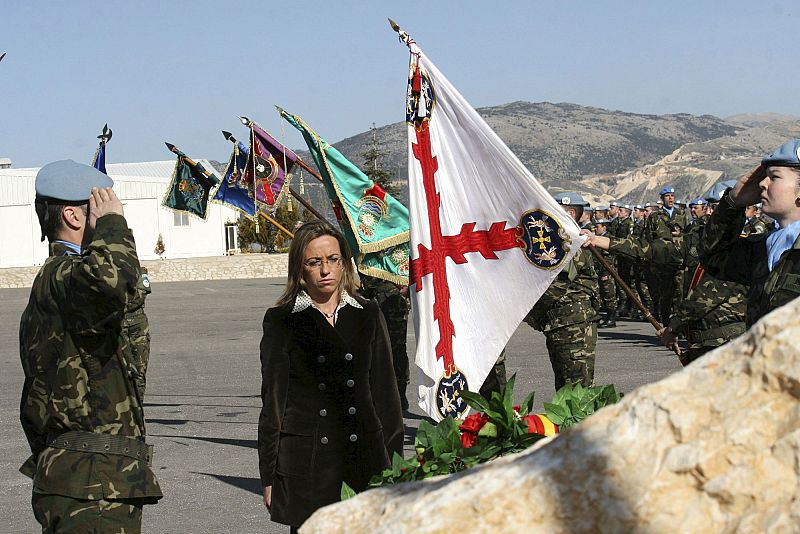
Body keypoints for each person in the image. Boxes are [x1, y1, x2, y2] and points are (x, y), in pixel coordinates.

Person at [20, 160, 162, 532]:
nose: (116, 215)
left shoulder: (67, 283)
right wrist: (113, 225)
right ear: (73, 214)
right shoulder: (64, 276)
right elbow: (108, 280)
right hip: (90, 483)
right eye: (101, 206)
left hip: (94, 477)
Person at [258, 219, 404, 531]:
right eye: (315, 262)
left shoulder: (368, 313)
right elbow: (273, 404)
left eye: (333, 260)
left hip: (365, 457)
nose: (325, 270)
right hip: (308, 464)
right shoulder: (282, 320)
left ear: (343, 264)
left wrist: (397, 467)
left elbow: (386, 397)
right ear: (300, 268)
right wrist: (269, 475)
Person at [700, 139, 800, 326]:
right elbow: (714, 258)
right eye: (765, 176)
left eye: (774, 177)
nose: (762, 183)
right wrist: (732, 203)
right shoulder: (765, 246)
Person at [524, 192, 600, 390]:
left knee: (577, 389)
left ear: (570, 213)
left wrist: (533, 315)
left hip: (573, 324)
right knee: (566, 388)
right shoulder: (563, 240)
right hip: (563, 323)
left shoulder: (571, 242)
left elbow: (557, 285)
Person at [359, 274, 411, 410]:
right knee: (370, 347)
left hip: (392, 297)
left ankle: (399, 394)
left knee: (396, 348)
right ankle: (374, 392)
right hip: (369, 295)